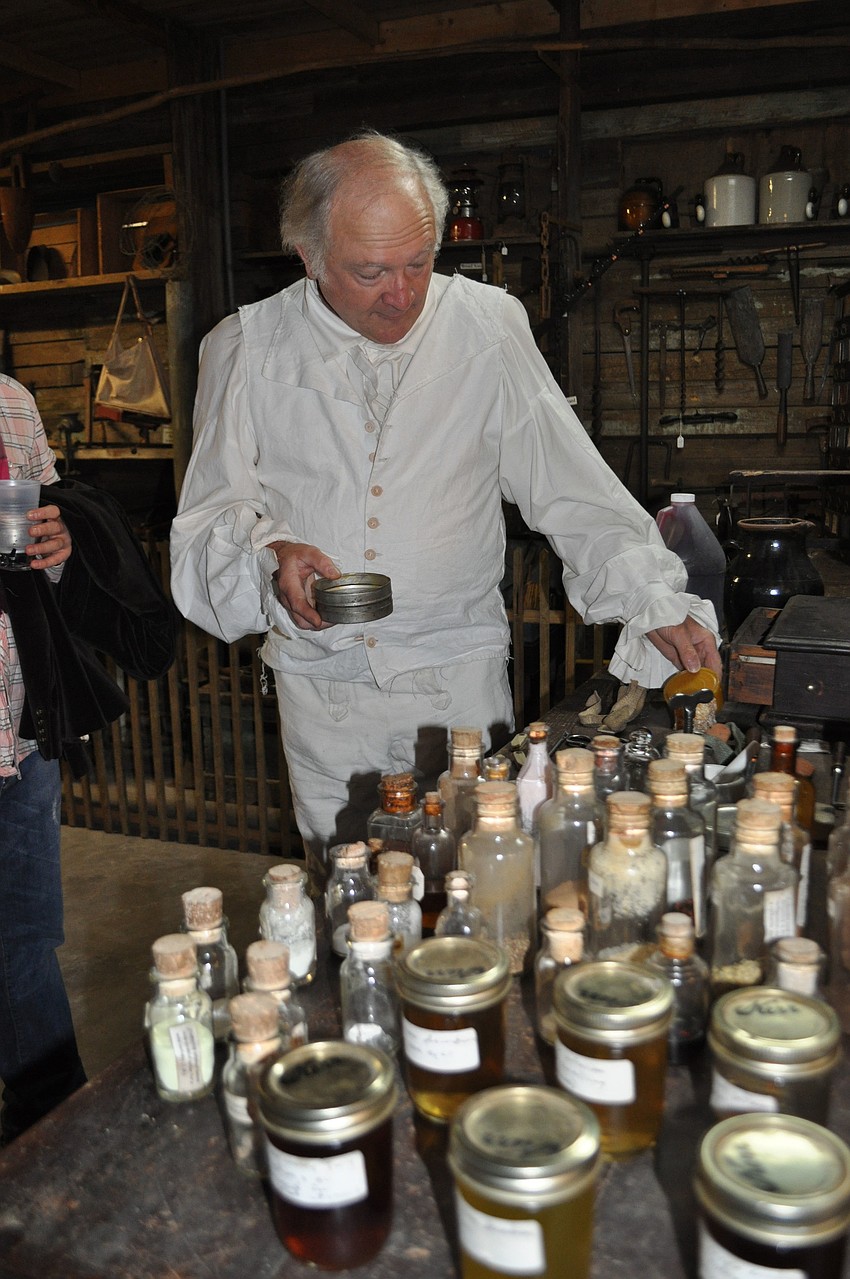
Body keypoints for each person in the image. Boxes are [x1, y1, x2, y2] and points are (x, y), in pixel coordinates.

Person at [170, 131, 720, 886]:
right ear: (308, 255)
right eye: (370, 272)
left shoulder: (487, 325)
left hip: (459, 689)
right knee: (354, 896)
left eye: (419, 262)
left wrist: (652, 596)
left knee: (479, 884)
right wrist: (270, 558)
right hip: (327, 703)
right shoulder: (247, 347)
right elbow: (207, 520)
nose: (402, 294)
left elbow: (572, 485)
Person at [0, 374, 179, 1143]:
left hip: (19, 737)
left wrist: (61, 548)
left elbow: (40, 537)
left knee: (27, 946)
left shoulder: (11, 400)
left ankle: (56, 1137)